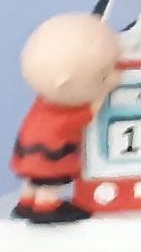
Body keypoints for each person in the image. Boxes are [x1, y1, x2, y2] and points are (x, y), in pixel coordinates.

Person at [11, 14, 123, 224]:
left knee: (34, 179)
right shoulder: (64, 113)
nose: (115, 77)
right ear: (64, 84)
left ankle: (26, 202)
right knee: (48, 182)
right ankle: (46, 207)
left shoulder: (42, 102)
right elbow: (82, 119)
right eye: (103, 76)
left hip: (28, 151)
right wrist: (97, 102)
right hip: (49, 156)